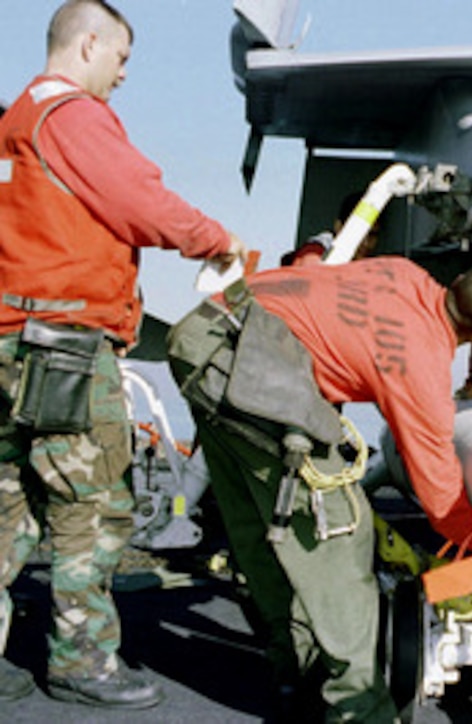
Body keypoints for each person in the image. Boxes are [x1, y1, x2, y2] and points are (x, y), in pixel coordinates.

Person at [0, 0, 246, 710]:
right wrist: (213, 239)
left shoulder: (14, 122)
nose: (124, 74)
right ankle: (82, 662)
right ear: (89, 45)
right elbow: (137, 198)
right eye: (122, 58)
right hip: (67, 350)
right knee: (94, 505)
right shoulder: (71, 115)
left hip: (11, 342)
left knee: (9, 504)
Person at [167, 258, 472, 721]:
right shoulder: (421, 366)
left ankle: (294, 671)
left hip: (208, 335)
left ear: (455, 280)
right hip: (246, 365)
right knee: (341, 533)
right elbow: (441, 502)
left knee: (264, 523)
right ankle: (360, 710)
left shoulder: (403, 271)